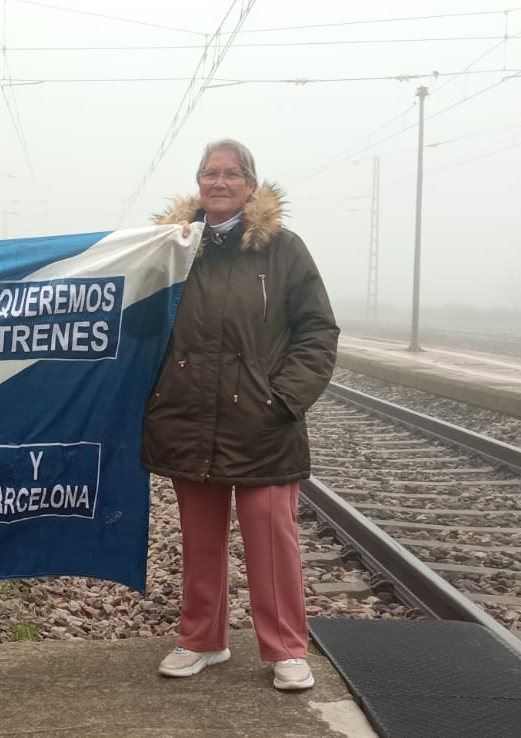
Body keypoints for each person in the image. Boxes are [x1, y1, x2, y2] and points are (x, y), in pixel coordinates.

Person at [142, 139, 339, 692]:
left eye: (232, 174)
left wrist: (284, 399)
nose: (220, 182)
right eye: (210, 173)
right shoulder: (174, 248)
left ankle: (286, 649)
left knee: (272, 542)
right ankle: (201, 639)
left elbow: (319, 332)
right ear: (197, 183)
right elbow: (139, 321)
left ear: (251, 185)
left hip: (262, 424)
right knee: (199, 540)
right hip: (189, 416)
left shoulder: (284, 250)